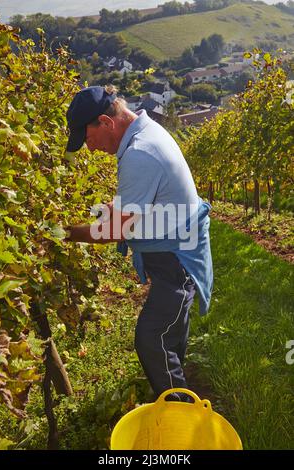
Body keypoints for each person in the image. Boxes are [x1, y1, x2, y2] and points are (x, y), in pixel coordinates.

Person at [64, 85, 213, 401]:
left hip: (175, 260)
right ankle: (176, 387)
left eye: (88, 139)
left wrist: (65, 233)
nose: (89, 149)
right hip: (176, 252)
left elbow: (112, 232)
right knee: (169, 334)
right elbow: (142, 208)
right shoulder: (147, 134)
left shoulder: (139, 153)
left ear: (106, 122)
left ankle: (180, 409)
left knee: (151, 337)